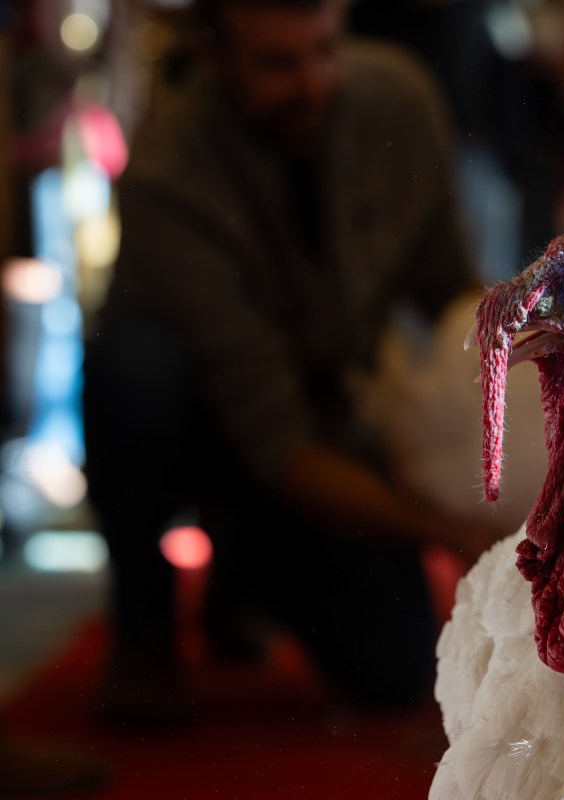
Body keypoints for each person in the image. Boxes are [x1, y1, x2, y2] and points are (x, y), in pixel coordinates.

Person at [83, 0, 498, 722]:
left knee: (394, 667)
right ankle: (143, 627)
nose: (314, 83)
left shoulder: (398, 98)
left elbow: (453, 299)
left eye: (328, 49)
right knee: (134, 368)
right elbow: (274, 440)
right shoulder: (166, 170)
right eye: (278, 64)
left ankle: (245, 570)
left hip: (323, 414)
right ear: (212, 55)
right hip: (213, 425)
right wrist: (446, 529)